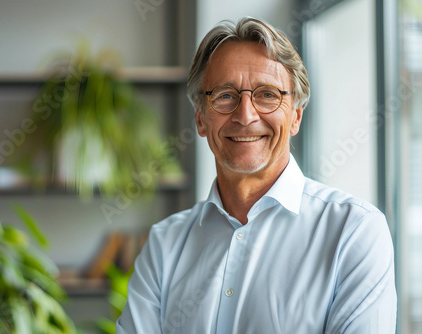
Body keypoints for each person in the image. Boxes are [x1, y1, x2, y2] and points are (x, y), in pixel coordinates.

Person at [116, 17, 397, 333]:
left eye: (267, 94)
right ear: (200, 118)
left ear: (296, 117)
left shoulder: (354, 232)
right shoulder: (164, 244)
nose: (245, 115)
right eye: (224, 95)